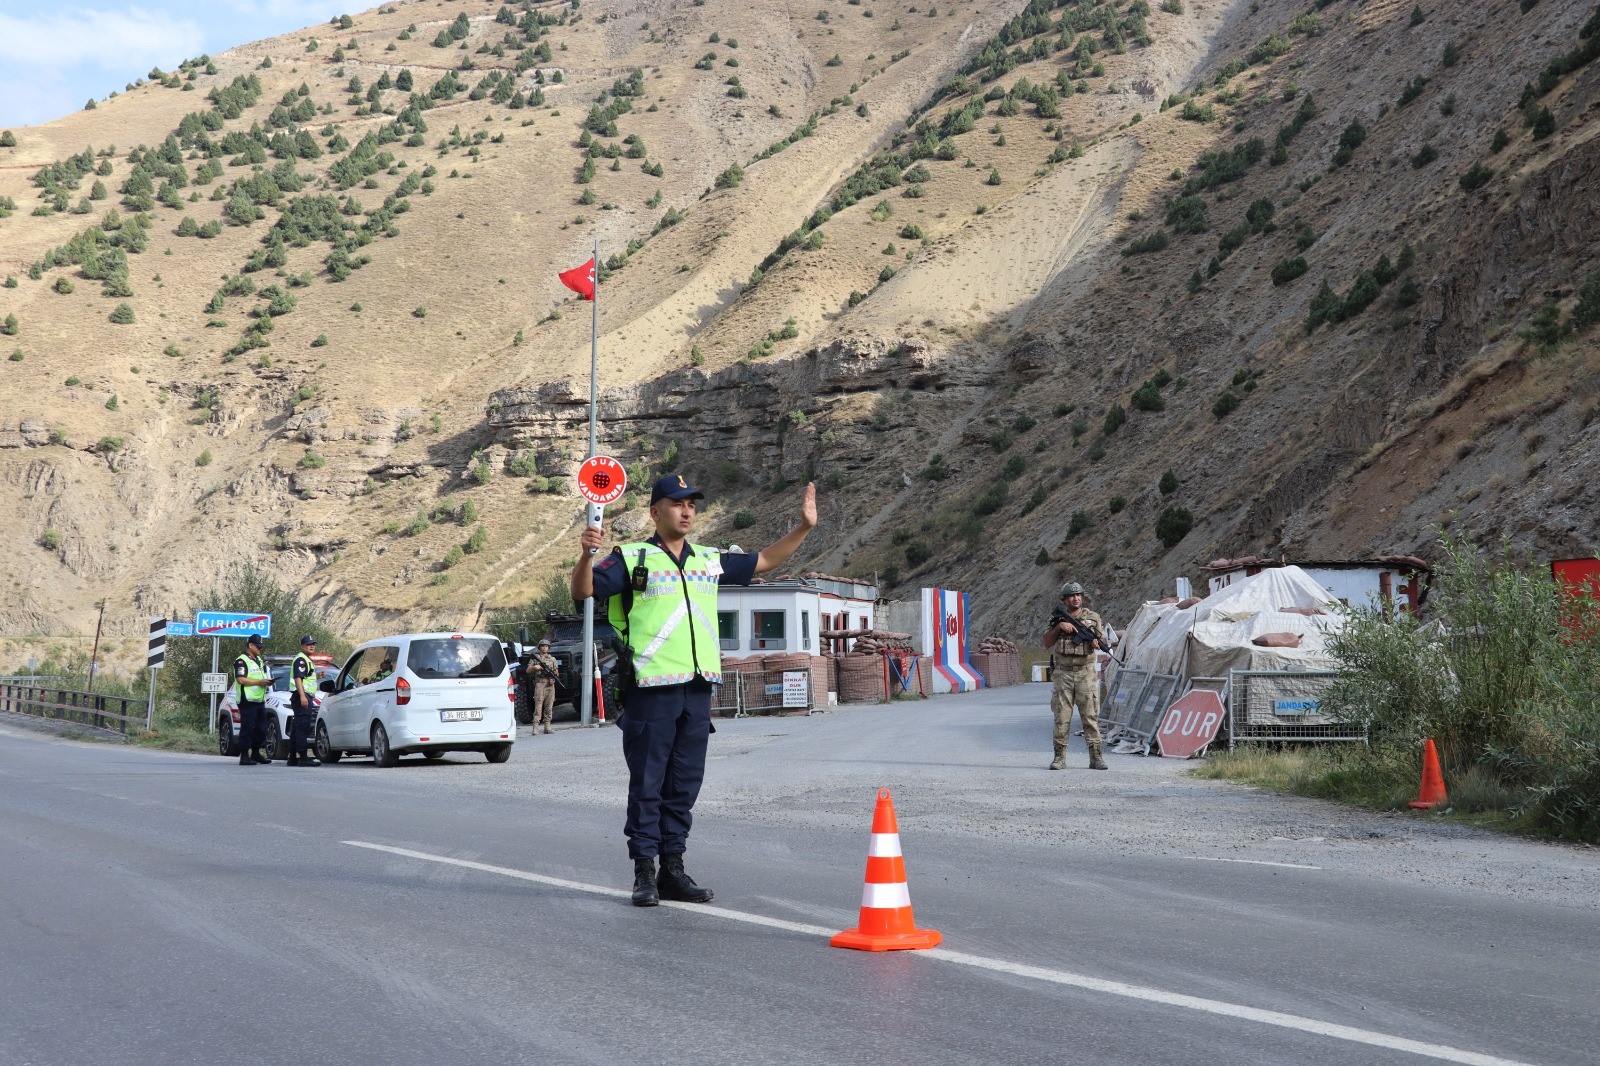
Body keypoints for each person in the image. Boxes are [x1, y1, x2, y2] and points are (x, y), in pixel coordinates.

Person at [572, 474, 817, 907]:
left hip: (698, 690)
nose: (687, 511)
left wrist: (803, 528)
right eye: (677, 503)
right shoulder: (630, 558)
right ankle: (644, 873)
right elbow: (584, 590)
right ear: (654, 511)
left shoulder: (708, 559)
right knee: (648, 784)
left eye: (692, 505)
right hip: (651, 691)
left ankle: (673, 870)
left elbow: (763, 561)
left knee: (684, 786)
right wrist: (586, 555)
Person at [1042, 581, 1109, 771]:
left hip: (1085, 673)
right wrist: (1060, 627)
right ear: (1064, 599)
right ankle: (1059, 758)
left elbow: (1103, 639)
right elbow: (1047, 642)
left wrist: (1098, 643)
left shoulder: (1093, 618)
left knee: (1090, 716)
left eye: (1078, 595)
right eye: (1072, 596)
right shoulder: (1057, 619)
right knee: (1061, 717)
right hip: (1063, 674)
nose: (1076, 598)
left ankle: (1096, 757)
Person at [232, 635, 272, 766]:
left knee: (261, 728)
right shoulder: (241, 661)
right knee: (247, 728)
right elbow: (241, 680)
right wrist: (259, 682)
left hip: (259, 700)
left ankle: (256, 753)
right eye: (258, 646)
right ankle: (244, 755)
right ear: (250, 645)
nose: (260, 649)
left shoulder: (259, 660)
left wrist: (266, 682)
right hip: (247, 700)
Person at [287, 635, 321, 767]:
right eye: (308, 644)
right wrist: (302, 696)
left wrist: (318, 676)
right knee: (302, 727)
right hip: (302, 696)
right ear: (302, 646)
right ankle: (303, 757)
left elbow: (305, 677)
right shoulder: (301, 660)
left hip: (303, 695)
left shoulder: (306, 660)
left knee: (297, 728)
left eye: (313, 644)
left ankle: (292, 757)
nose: (311, 646)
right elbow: (298, 679)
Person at [529, 638, 559, 735]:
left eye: (546, 646)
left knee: (549, 706)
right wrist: (534, 667)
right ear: (539, 647)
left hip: (550, 685)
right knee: (538, 705)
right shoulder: (535, 659)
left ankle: (547, 726)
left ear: (548, 648)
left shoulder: (552, 659)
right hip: (540, 684)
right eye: (542, 646)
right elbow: (527, 670)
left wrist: (553, 679)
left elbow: (556, 672)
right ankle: (535, 727)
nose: (544, 648)